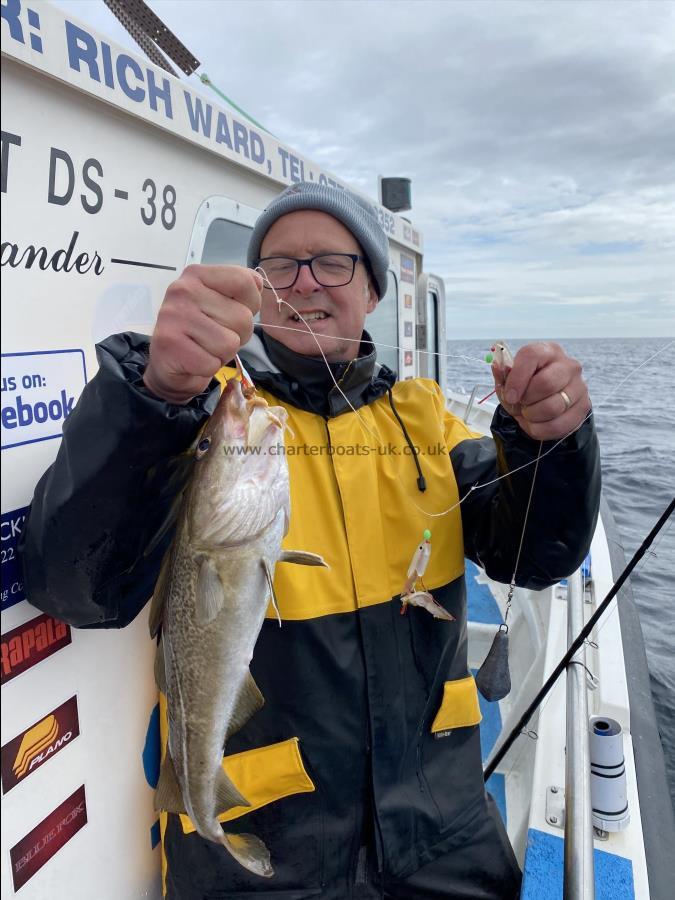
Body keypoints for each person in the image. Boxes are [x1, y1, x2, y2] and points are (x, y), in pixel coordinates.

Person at [20, 182, 600, 899]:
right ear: (257, 288)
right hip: (257, 859)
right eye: (279, 266)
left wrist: (554, 440)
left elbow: (537, 556)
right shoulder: (209, 411)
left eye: (331, 263)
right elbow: (76, 587)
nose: (304, 284)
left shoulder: (429, 425)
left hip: (441, 835)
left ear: (372, 291)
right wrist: (158, 393)